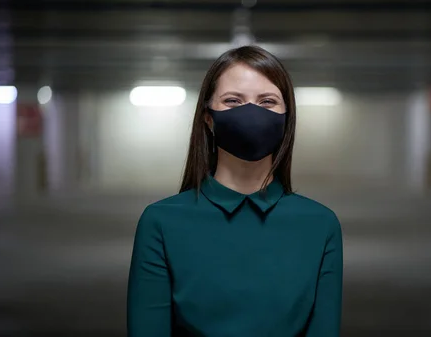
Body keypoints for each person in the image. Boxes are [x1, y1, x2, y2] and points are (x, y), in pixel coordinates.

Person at [127, 45, 343, 337]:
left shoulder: (320, 224)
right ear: (208, 117)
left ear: (286, 117)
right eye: (233, 100)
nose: (251, 112)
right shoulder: (161, 222)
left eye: (267, 101)